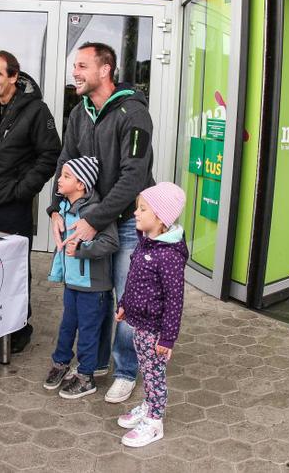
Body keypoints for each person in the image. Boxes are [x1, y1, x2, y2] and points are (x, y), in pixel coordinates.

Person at [48, 41, 155, 404]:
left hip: (126, 223)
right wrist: (55, 208)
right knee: (97, 295)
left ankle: (126, 371)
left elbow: (134, 176)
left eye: (82, 66)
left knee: (128, 300)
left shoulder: (133, 112)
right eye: (74, 66)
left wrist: (93, 220)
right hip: (90, 222)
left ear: (105, 69)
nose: (74, 72)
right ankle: (95, 364)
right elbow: (65, 161)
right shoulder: (79, 114)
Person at [0, 51, 60, 353]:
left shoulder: (36, 111)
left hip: (11, 206)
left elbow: (50, 155)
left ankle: (19, 328)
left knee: (15, 269)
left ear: (13, 76)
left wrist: (22, 190)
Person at [115, 182, 188, 447]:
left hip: (155, 331)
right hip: (140, 324)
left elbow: (175, 300)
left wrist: (167, 338)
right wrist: (124, 304)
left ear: (160, 218)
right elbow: (133, 279)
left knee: (154, 374)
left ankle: (155, 422)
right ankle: (148, 405)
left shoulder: (168, 256)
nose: (136, 213)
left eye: (142, 209)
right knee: (146, 370)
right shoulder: (146, 243)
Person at [43, 157, 117, 399]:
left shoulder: (95, 211)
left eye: (66, 176)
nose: (59, 179)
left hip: (92, 287)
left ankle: (86, 376)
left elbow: (111, 242)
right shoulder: (64, 207)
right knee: (67, 325)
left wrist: (82, 250)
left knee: (88, 331)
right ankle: (61, 363)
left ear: (81, 184)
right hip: (72, 283)